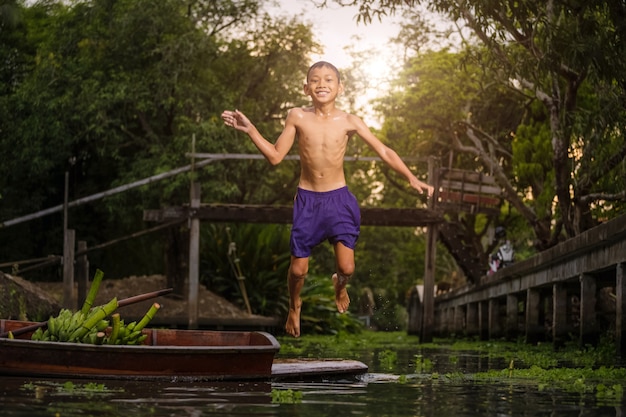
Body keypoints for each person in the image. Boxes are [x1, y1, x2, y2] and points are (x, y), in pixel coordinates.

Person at [221, 61, 433, 337]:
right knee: (298, 270)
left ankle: (339, 285)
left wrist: (411, 177)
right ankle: (295, 306)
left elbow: (384, 151)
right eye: (316, 80)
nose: (322, 84)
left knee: (347, 268)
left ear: (340, 87)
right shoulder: (296, 116)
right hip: (308, 201)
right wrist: (251, 130)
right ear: (306, 88)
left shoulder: (349, 121)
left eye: (329, 80)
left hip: (339, 201)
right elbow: (275, 156)